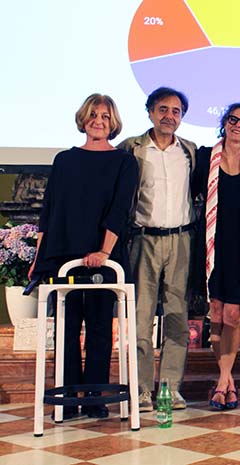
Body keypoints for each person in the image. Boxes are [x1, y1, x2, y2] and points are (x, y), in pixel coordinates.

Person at [29, 93, 138, 419]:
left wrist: (103, 251)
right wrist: (38, 257)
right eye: (93, 115)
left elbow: (119, 210)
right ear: (83, 119)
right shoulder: (64, 160)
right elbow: (49, 211)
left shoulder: (124, 162)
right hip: (63, 255)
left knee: (100, 326)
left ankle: (94, 397)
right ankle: (69, 396)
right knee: (67, 327)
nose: (98, 121)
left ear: (113, 122)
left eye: (105, 116)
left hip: (104, 256)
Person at [117, 87, 197, 412]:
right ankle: (141, 390)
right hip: (143, 239)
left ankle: (170, 388)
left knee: (178, 317)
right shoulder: (132, 148)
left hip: (181, 240)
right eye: (163, 109)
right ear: (150, 112)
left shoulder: (189, 151)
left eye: (176, 111)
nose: (169, 116)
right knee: (141, 317)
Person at [192, 103, 240, 409]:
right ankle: (227, 381)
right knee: (216, 312)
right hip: (211, 242)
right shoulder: (204, 158)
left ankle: (223, 380)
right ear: (224, 122)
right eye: (233, 120)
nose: (238, 126)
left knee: (233, 315)